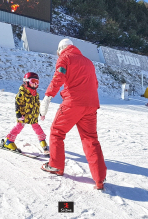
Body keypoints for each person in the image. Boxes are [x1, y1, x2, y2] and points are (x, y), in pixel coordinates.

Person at [39, 38, 107, 190]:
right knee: (91, 139)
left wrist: (48, 97)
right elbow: (95, 83)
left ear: (61, 49)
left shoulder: (65, 57)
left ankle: (55, 165)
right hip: (91, 105)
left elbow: (58, 77)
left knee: (57, 132)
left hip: (73, 103)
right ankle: (100, 178)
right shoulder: (88, 62)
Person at [0, 72, 49, 155]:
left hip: (33, 115)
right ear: (26, 81)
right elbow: (17, 103)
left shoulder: (35, 93)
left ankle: (42, 141)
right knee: (19, 127)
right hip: (23, 115)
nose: (35, 84)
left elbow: (37, 104)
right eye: (33, 81)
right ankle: (8, 141)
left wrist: (41, 113)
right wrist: (18, 114)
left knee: (37, 128)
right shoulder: (22, 92)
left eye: (37, 82)